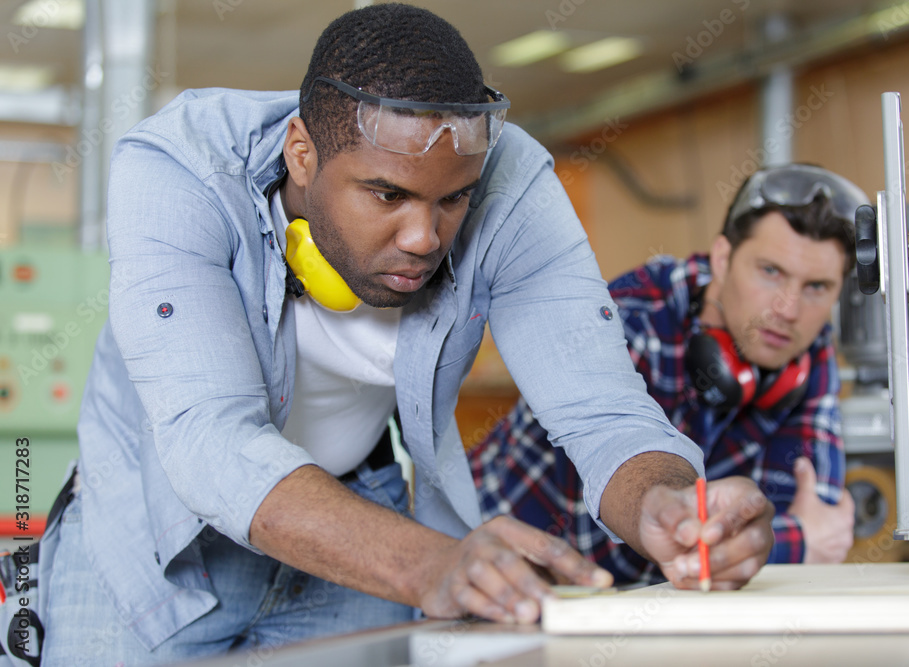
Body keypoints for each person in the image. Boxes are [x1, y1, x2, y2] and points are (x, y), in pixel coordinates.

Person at [40, 4, 773, 665]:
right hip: (149, 539)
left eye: (452, 198)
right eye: (387, 194)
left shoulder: (512, 186)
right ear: (302, 153)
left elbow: (603, 408)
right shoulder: (182, 172)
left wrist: (669, 506)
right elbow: (210, 439)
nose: (424, 237)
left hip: (358, 522)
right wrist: (432, 564)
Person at [471, 163, 863, 584]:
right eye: (771, 272)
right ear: (723, 257)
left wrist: (768, 538)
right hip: (487, 557)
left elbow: (810, 510)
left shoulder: (809, 348)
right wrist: (797, 540)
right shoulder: (632, 321)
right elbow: (617, 549)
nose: (788, 309)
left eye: (817, 287)